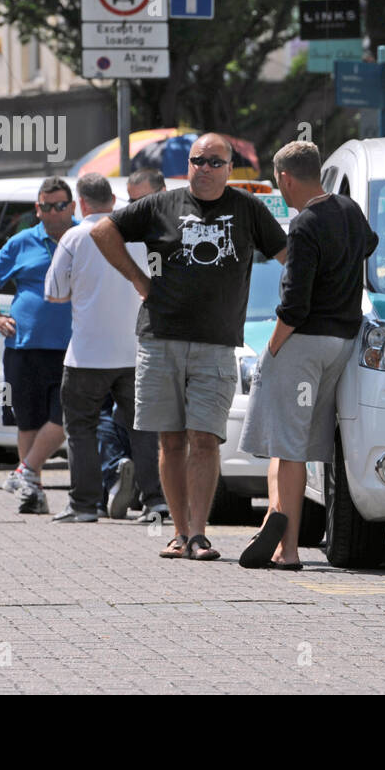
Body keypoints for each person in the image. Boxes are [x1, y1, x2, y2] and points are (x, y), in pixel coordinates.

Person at [92, 134, 287, 560]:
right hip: (160, 338)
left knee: (205, 439)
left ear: (229, 168)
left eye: (214, 162)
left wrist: (298, 309)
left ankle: (199, 535)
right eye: (197, 160)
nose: (204, 168)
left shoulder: (247, 209)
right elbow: (103, 230)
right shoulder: (162, 204)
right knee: (170, 441)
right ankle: (179, 534)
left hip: (216, 344)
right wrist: (137, 280)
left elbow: (288, 255)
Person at [238, 141, 378, 570]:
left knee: (289, 445)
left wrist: (273, 347)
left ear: (285, 178)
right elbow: (368, 245)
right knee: (291, 439)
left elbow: (294, 305)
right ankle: (274, 521)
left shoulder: (302, 226)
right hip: (342, 339)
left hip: (302, 342)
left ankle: (290, 549)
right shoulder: (349, 210)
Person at [45, 173, 168, 523]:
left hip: (86, 354)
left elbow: (54, 293)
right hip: (135, 351)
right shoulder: (139, 235)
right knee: (142, 427)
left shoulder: (74, 237)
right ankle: (155, 502)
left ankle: (84, 505)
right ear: (113, 201)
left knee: (80, 428)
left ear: (81, 203)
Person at [0, 177, 76, 514]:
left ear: (73, 207)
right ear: (37, 209)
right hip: (24, 347)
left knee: (65, 417)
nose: (53, 212)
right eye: (46, 206)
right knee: (29, 422)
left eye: (60, 205)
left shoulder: (84, 238)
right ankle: (32, 492)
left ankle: (24, 472)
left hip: (72, 348)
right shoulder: (22, 241)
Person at [97, 167, 169, 519]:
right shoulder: (123, 232)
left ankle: (123, 477)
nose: (134, 208)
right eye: (131, 201)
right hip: (125, 347)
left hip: (148, 346)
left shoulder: (166, 233)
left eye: (141, 201)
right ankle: (146, 492)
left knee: (127, 419)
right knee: (127, 418)